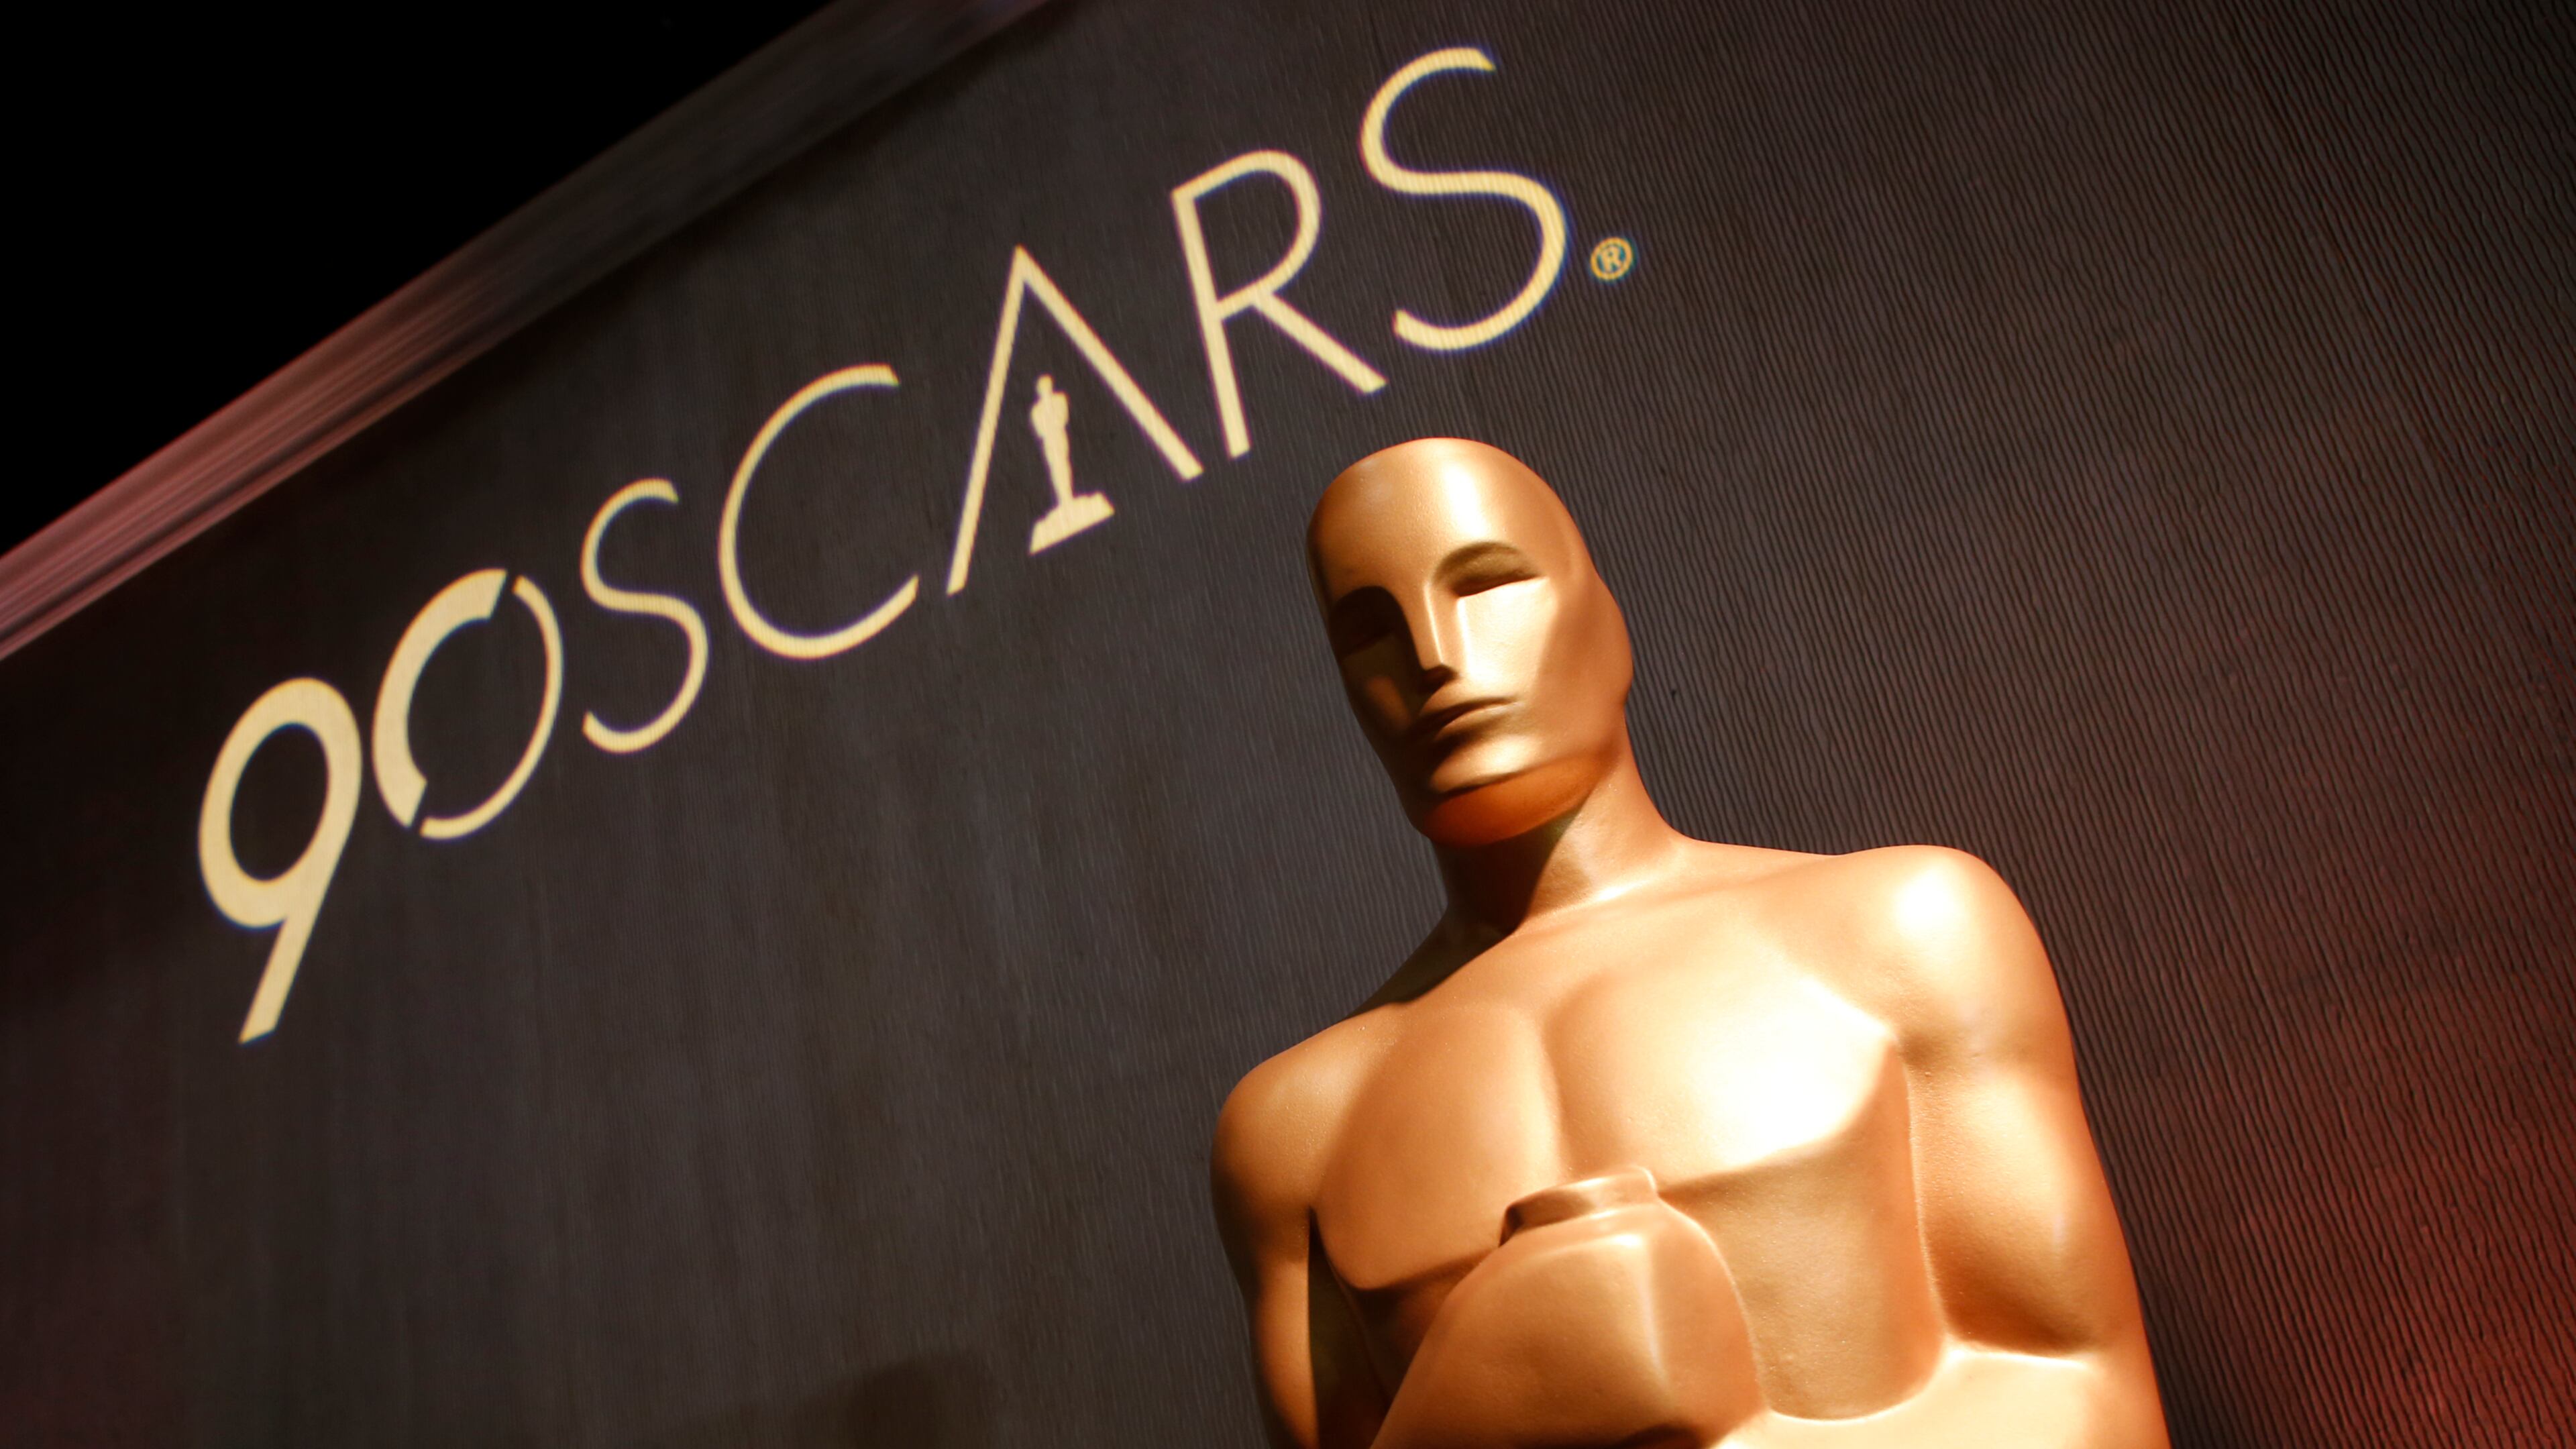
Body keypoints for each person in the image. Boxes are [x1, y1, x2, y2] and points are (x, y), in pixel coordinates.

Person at [1212, 439, 2169, 1448]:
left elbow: (2086, 1393)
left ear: (1607, 620)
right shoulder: (1296, 1135)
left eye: (1489, 584)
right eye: (1369, 632)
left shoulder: (1897, 935)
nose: (1436, 656)